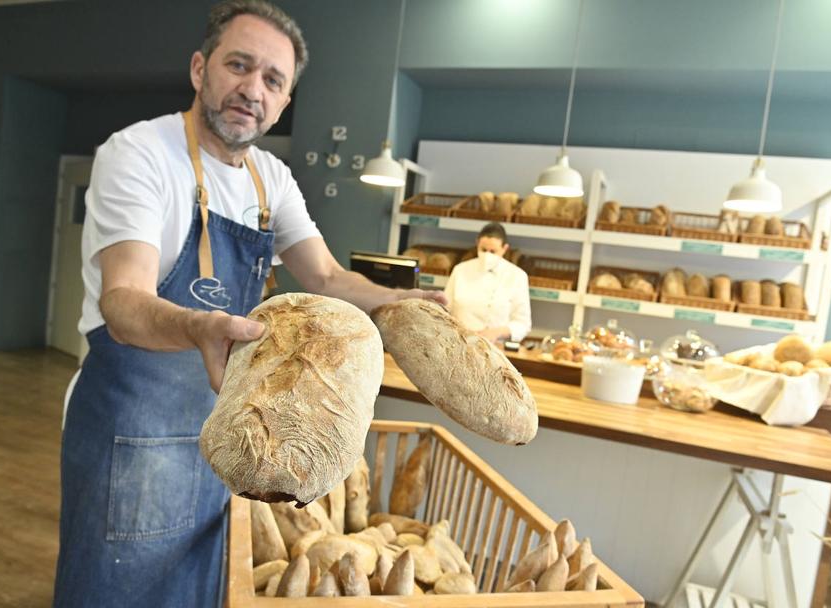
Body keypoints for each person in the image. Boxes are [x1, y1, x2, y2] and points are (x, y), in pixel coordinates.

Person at [52, 2, 444, 606]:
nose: (252, 89)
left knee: (198, 590)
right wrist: (198, 327)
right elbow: (123, 301)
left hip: (231, 433)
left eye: (273, 80)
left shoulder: (272, 179)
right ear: (200, 68)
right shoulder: (139, 154)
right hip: (135, 430)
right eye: (239, 66)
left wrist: (408, 302)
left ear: (285, 102)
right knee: (119, 590)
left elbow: (329, 278)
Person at [444, 222, 531, 344]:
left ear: (504, 249)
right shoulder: (460, 270)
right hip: (457, 343)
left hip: (494, 348)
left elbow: (523, 323)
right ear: (477, 243)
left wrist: (497, 332)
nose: (487, 255)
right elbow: (445, 309)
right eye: (483, 250)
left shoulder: (517, 276)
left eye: (493, 251)